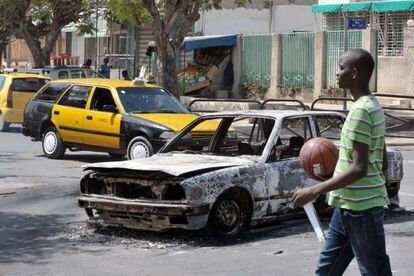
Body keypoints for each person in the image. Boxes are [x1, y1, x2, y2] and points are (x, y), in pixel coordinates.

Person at [292, 49, 392, 276]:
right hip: (347, 206)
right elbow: (381, 160)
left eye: (341, 68)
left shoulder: (359, 112)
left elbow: (359, 168)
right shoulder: (374, 105)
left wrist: (314, 190)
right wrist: (336, 174)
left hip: (361, 209)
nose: (337, 73)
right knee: (326, 271)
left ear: (355, 73)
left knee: (376, 271)